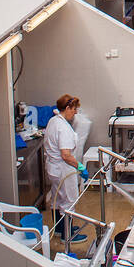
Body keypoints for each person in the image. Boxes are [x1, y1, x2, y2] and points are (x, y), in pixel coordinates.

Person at [43, 94, 88, 242]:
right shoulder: (62, 128)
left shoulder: (53, 121)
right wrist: (80, 167)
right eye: (74, 109)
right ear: (67, 108)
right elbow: (66, 155)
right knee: (69, 201)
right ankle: (67, 236)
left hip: (53, 169)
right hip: (63, 169)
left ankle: (59, 228)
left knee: (57, 199)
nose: (75, 112)